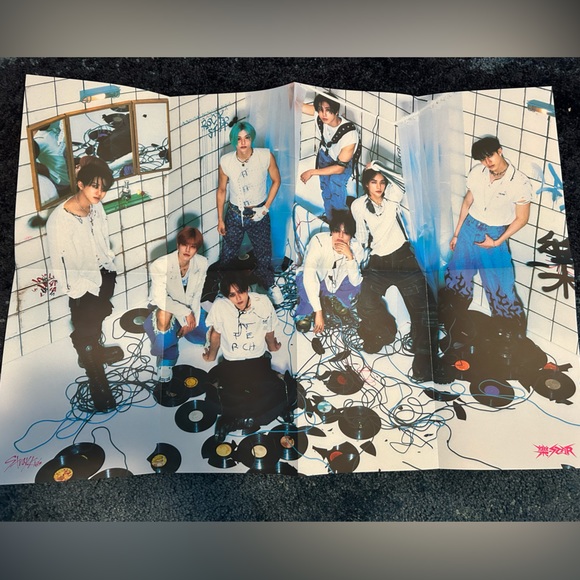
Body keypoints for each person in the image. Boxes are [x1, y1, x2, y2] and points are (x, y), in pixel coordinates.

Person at [351, 164, 451, 384]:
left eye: (382, 182)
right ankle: (385, 332)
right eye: (374, 182)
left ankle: (423, 365)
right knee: (365, 302)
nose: (379, 187)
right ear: (366, 185)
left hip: (403, 258)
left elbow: (404, 182)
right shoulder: (358, 205)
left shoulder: (391, 198)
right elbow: (361, 236)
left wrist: (379, 167)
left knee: (425, 308)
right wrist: (355, 258)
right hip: (379, 262)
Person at [46, 157, 122, 412]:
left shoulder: (96, 207)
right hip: (82, 285)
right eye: (94, 186)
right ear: (80, 184)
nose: (100, 193)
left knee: (97, 319)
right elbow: (60, 264)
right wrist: (79, 292)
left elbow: (102, 239)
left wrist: (108, 267)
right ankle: (96, 379)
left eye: (103, 188)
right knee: (85, 329)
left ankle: (94, 351)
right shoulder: (59, 220)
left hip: (103, 274)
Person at [442, 136, 532, 334]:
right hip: (469, 228)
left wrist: (497, 242)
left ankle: (512, 336)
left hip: (493, 233)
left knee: (499, 285)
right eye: (482, 159)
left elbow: (522, 218)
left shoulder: (519, 182)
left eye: (490, 155)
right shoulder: (477, 172)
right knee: (457, 275)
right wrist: (457, 234)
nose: (487, 162)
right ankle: (453, 325)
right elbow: (467, 202)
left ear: (499, 151)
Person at [202, 270, 294, 441]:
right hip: (232, 361)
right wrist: (211, 355)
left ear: (248, 289)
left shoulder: (263, 301)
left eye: (241, 291)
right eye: (232, 295)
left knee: (276, 390)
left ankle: (236, 419)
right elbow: (215, 334)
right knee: (226, 395)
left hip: (257, 359)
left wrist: (272, 346)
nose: (238, 298)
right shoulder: (220, 306)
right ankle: (237, 419)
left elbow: (269, 329)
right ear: (226, 296)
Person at [216, 120, 284, 306]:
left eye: (246, 138)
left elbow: (277, 180)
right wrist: (220, 219)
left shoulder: (265, 156)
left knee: (263, 254)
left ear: (251, 138)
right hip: (234, 214)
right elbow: (221, 190)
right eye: (238, 139)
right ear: (234, 141)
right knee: (228, 255)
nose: (243, 142)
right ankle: (225, 289)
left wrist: (265, 208)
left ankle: (269, 285)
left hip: (258, 212)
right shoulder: (226, 161)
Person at [143, 226, 209, 383]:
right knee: (164, 316)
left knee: (206, 337)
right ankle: (167, 356)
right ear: (178, 245)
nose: (188, 250)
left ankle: (178, 334)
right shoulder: (160, 265)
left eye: (193, 246)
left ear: (197, 249)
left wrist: (190, 320)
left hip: (190, 307)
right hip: (165, 308)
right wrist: (186, 314)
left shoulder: (202, 263)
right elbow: (161, 299)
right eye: (184, 245)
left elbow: (197, 295)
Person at [295, 209, 364, 333]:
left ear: (351, 235)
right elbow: (309, 276)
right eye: (337, 231)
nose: (340, 237)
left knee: (355, 283)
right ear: (331, 231)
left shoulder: (356, 247)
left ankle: (337, 299)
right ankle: (307, 309)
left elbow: (355, 281)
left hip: (336, 282)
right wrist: (318, 312)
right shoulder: (318, 241)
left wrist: (350, 257)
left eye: (345, 232)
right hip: (317, 279)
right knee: (304, 281)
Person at [300, 93, 361, 221]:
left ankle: (341, 223)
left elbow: (340, 168)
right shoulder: (320, 117)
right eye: (320, 110)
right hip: (326, 155)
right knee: (326, 189)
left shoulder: (349, 134)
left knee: (335, 186)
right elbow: (299, 106)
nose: (323, 114)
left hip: (342, 163)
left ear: (336, 111)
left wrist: (312, 172)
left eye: (328, 110)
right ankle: (330, 220)